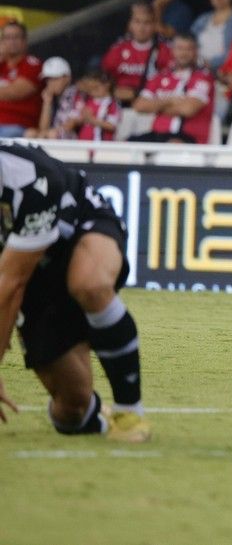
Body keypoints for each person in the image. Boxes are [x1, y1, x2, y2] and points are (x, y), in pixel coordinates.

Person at [0, 141, 150, 442]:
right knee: (72, 411)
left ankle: (129, 411)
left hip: (79, 224)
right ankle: (98, 419)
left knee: (90, 284)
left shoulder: (28, 178)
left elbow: (10, 286)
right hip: (30, 276)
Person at [130, 32, 215, 145]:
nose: (183, 53)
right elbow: (139, 106)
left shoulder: (203, 77)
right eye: (180, 48)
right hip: (157, 135)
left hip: (189, 138)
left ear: (196, 51)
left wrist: (156, 106)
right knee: (125, 145)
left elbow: (188, 109)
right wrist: (171, 100)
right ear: (173, 50)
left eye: (189, 49)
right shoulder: (161, 76)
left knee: (172, 146)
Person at [100, 2, 172, 106]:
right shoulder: (118, 49)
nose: (141, 28)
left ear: (155, 25)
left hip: (151, 105)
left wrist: (136, 94)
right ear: (130, 25)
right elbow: (104, 79)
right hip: (120, 105)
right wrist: (113, 90)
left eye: (147, 23)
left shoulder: (165, 50)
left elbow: (170, 84)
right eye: (137, 22)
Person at [0, 21, 44, 137]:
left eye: (16, 37)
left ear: (24, 41)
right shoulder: (2, 64)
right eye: (7, 38)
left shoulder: (32, 64)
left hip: (16, 125)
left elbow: (14, 92)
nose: (12, 42)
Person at [27, 57, 81, 140]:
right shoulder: (53, 97)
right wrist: (47, 103)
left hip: (78, 138)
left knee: (52, 134)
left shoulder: (76, 93)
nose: (51, 83)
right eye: (48, 79)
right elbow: (43, 129)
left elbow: (70, 125)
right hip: (56, 134)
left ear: (67, 78)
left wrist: (47, 133)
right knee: (31, 133)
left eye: (55, 79)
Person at [71, 72, 121, 142]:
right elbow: (75, 118)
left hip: (101, 145)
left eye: (96, 88)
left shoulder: (111, 104)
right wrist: (81, 117)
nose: (92, 91)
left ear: (107, 85)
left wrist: (91, 119)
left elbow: (112, 125)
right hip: (82, 143)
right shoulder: (87, 101)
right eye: (90, 89)